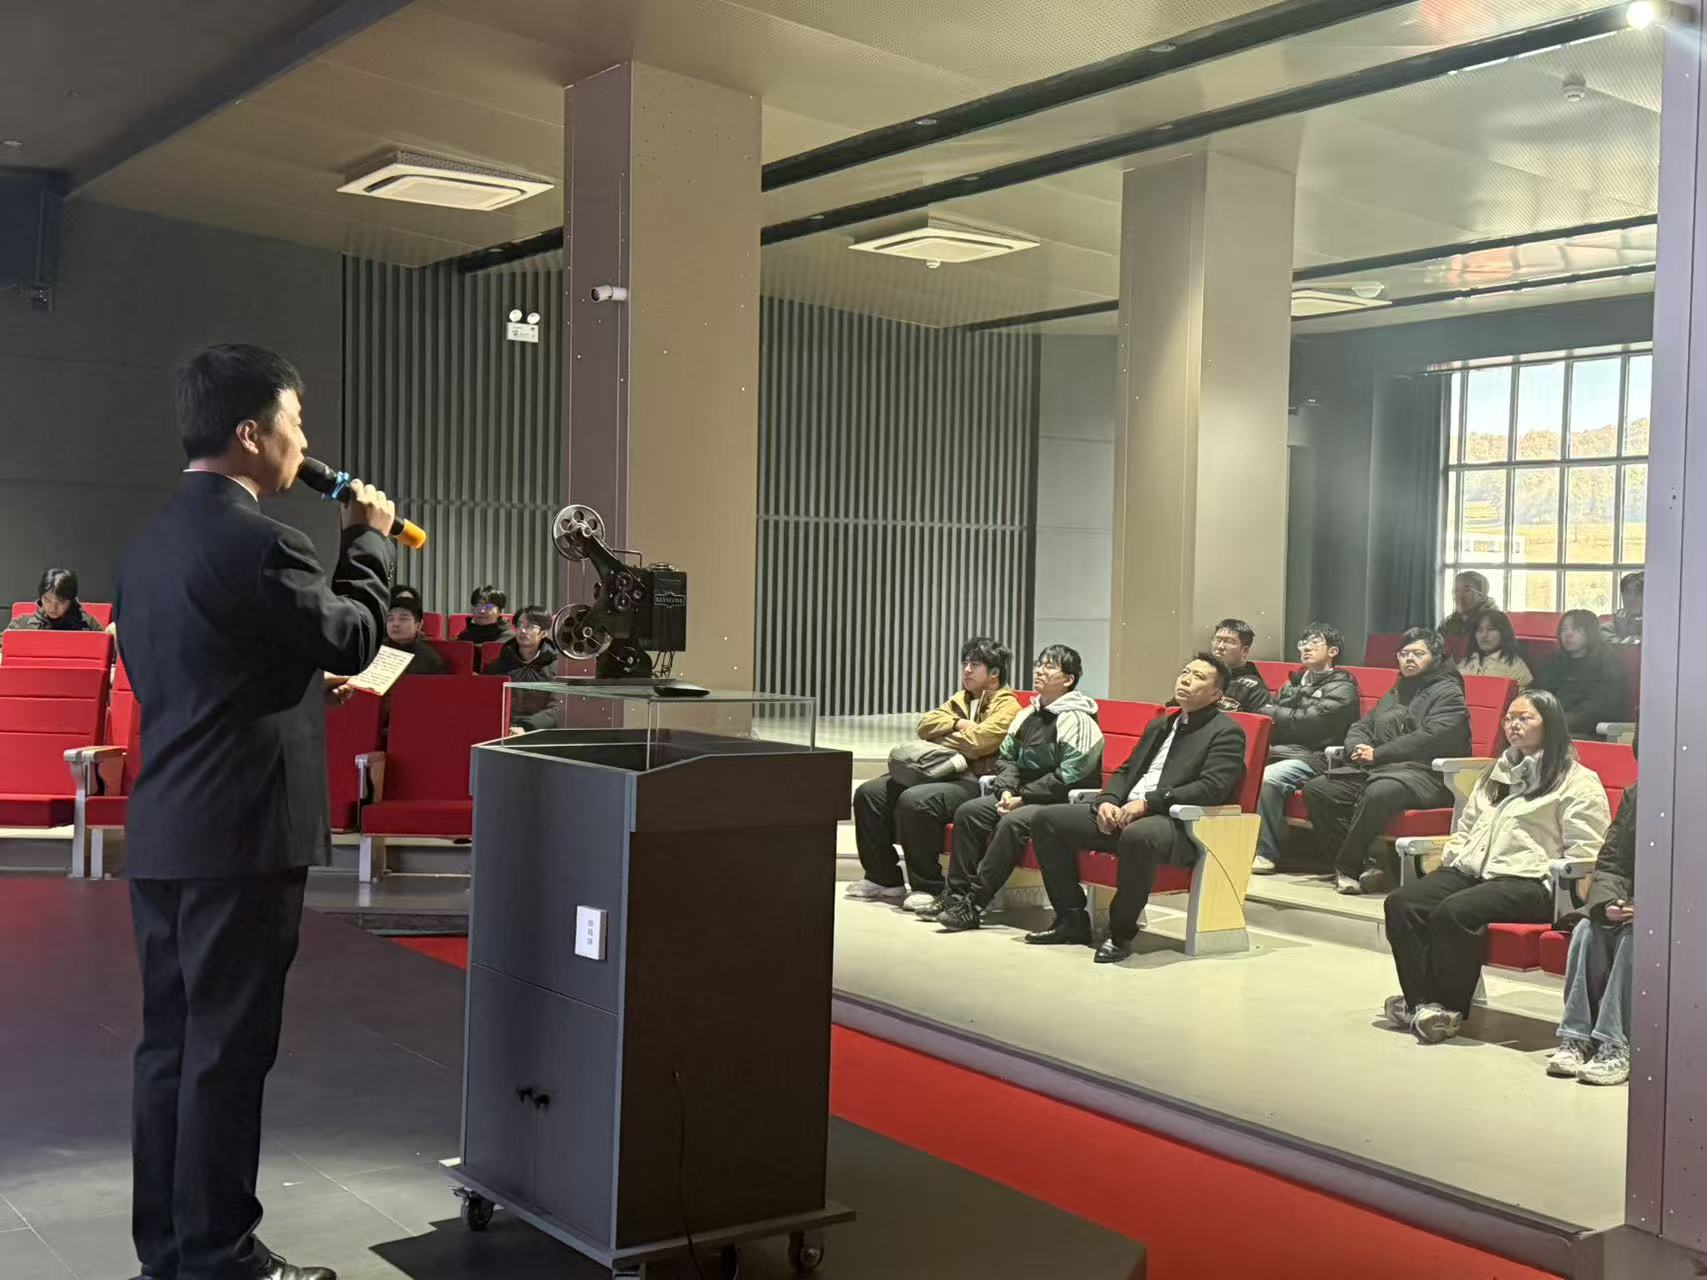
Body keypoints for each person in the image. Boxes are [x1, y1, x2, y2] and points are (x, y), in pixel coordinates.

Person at [116, 343, 394, 1280]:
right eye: (295, 424)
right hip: (242, 836)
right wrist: (367, 540)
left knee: (170, 1049)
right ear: (250, 432)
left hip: (167, 827)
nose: (302, 444)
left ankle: (171, 1250)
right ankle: (223, 1257)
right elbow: (352, 637)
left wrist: (299, 687)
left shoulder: (146, 545)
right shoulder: (266, 541)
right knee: (227, 1054)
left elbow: (204, 673)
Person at [1382, 691, 1610, 1045]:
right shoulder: (1496, 772)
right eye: (1509, 718)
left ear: (1550, 724)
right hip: (1475, 870)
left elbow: (1588, 847)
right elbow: (1467, 825)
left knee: (1455, 911)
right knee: (1402, 902)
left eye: (1525, 718)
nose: (1513, 725)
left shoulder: (1576, 780)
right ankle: (1421, 1004)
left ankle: (1447, 1008)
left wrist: (1575, 893)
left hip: (1532, 880)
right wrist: (1454, 857)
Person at [1023, 654, 1247, 962]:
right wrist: (1107, 801)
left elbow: (1212, 788)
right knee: (1046, 820)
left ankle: (1120, 933)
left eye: (1198, 677)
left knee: (1137, 836)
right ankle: (1070, 918)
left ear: (1216, 694)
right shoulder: (1161, 724)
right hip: (1128, 812)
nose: (1185, 679)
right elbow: (1127, 771)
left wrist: (1149, 803)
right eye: (1185, 672)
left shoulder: (1226, 732)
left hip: (1176, 824)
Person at [926, 645, 1104, 931]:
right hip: (1022, 795)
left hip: (1059, 802)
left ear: (1068, 680)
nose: (1039, 671)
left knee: (1012, 823)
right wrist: (1007, 790)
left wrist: (1023, 798)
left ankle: (974, 905)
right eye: (1038, 664)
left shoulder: (1078, 719)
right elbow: (1006, 757)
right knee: (970, 812)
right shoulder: (1027, 714)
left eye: (1049, 667)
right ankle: (955, 895)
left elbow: (1069, 776)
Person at [847, 638, 1021, 906]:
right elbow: (925, 725)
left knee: (916, 800)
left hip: (976, 781)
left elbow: (979, 743)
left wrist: (944, 736)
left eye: (975, 665)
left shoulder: (1008, 706)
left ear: (995, 672)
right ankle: (883, 878)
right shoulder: (961, 700)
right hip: (941, 771)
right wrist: (959, 724)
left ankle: (928, 887)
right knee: (869, 793)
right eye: (965, 663)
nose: (966, 670)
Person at [1300, 627, 1470, 895]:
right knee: (1319, 789)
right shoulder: (1399, 688)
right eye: (1404, 653)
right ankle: (1366, 865)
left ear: (1436, 656)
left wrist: (1377, 754)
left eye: (1418, 653)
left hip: (1427, 775)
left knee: (1379, 791)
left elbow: (1430, 737)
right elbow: (1364, 725)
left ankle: (1347, 867)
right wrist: (1357, 747)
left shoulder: (1449, 692)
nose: (1409, 659)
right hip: (1382, 769)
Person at [1548, 772, 1638, 1086]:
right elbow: (1612, 863)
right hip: (1633, 903)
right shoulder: (1639, 794)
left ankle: (1616, 1043)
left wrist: (1653, 908)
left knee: (1637, 937)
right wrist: (1609, 902)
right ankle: (1577, 1037)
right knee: (1588, 927)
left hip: (1679, 913)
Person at [1251, 623, 1361, 875]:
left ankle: (1265, 853)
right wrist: (1285, 718)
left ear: (1333, 651)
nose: (1306, 648)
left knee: (1269, 779)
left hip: (1317, 756)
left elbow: (1313, 725)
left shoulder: (1342, 687)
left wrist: (1277, 714)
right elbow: (1277, 720)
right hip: (1282, 750)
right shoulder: (1293, 683)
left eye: (1314, 643)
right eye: (1303, 643)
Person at [1534, 609, 1625, 737]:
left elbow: (1600, 707)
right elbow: (1539, 693)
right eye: (1564, 630)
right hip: (1553, 724)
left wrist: (1556, 722)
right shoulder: (1555, 660)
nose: (1568, 634)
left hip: (1587, 729)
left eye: (1576, 629)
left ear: (1590, 632)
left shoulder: (1606, 661)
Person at [486, 605, 563, 731]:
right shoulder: (498, 665)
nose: (522, 630)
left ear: (544, 633)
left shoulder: (556, 668)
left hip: (538, 731)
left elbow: (558, 709)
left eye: (530, 626)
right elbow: (485, 702)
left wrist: (525, 728)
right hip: (502, 728)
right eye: (519, 625)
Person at [7, 566, 104, 631]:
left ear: (71, 600)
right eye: (47, 600)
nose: (53, 608)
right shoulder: (21, 626)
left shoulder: (88, 625)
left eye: (61, 602)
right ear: (40, 597)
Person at [1207, 618, 1273, 713]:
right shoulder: (1201, 675)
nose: (1220, 646)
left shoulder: (1253, 687)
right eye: (1217, 640)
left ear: (1244, 651)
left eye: (1229, 641)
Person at [1459, 607, 1533, 689]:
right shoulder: (1467, 661)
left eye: (1491, 629)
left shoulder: (1515, 665)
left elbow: (1523, 695)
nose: (1484, 635)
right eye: (1479, 630)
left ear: (1503, 632)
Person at [383, 588, 449, 676]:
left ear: (418, 625)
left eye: (403, 619)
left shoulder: (427, 658)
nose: (395, 624)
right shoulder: (377, 650)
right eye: (390, 619)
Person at [1436, 571, 1495, 661]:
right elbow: (1438, 655)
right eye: (1456, 591)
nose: (1460, 596)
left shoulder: (1496, 623)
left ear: (1482, 595)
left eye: (1467, 590)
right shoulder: (1447, 624)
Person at [1605, 571, 1643, 645]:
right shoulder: (1607, 627)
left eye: (1638, 593)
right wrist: (1621, 633)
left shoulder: (1655, 626)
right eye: (1627, 592)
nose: (1632, 598)